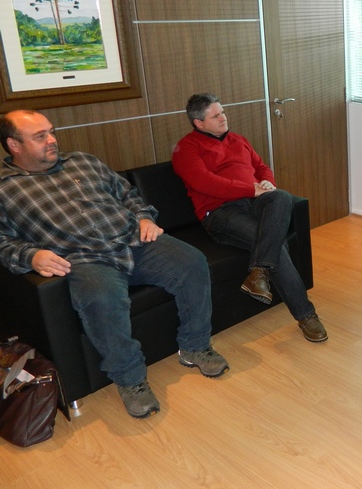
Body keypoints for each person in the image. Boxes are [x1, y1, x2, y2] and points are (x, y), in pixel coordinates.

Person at [0, 110, 228, 419]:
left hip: (133, 239)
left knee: (191, 261)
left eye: (51, 132)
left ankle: (195, 346)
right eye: (40, 136)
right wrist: (31, 256)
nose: (52, 140)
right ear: (14, 145)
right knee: (102, 299)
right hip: (83, 259)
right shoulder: (5, 188)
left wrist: (144, 217)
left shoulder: (83, 161)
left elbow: (127, 194)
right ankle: (131, 380)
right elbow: (2, 242)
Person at [172, 93, 327, 343]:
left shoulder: (238, 140)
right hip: (221, 212)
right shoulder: (186, 149)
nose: (223, 118)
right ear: (198, 123)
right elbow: (205, 182)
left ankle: (258, 272)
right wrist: (250, 189)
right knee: (276, 246)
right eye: (216, 116)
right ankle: (306, 315)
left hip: (256, 202)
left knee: (281, 196)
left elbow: (261, 167)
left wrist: (267, 182)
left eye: (222, 112)